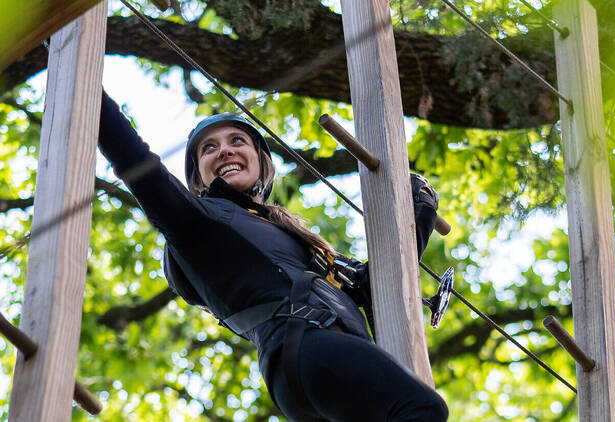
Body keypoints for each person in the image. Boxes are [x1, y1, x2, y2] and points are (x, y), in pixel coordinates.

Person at [97, 91, 449, 421]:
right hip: (308, 348)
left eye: (237, 141)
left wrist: (419, 214)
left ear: (261, 163)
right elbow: (133, 158)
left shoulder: (288, 241)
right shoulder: (195, 222)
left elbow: (378, 289)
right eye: (209, 148)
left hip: (317, 368)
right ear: (199, 179)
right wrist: (88, 93)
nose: (224, 151)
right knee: (421, 409)